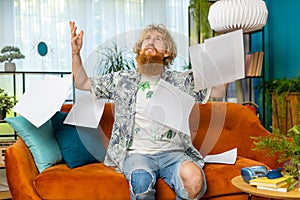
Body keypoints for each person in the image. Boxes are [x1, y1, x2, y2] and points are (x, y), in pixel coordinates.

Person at [70, 21, 226, 200]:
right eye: (147, 39)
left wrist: (224, 61)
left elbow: (219, 91)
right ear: (139, 48)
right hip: (137, 155)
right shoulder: (122, 80)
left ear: (167, 51)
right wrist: (76, 53)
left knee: (194, 179)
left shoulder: (181, 81)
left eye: (157, 39)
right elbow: (81, 83)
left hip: (174, 154)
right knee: (141, 183)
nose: (150, 42)